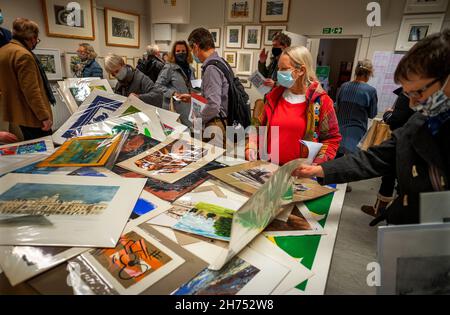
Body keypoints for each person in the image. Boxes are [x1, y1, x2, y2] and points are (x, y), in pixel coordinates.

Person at [293, 30, 450, 226]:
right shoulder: (420, 122)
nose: (412, 105)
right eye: (407, 94)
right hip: (411, 231)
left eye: (418, 92)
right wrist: (319, 170)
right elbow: (377, 158)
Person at [247, 45, 342, 166]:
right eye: (279, 68)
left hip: (300, 174)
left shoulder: (321, 102)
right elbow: (257, 127)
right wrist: (251, 146)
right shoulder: (273, 97)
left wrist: (317, 163)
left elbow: (332, 139)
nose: (279, 73)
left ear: (301, 70)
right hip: (268, 168)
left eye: (284, 69)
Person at [360, 88, 415, 220]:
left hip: (402, 143)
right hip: (408, 145)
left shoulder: (407, 93)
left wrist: (387, 114)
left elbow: (395, 119)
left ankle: (381, 210)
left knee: (390, 177)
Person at [0, 18, 54, 141]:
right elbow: (31, 90)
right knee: (44, 151)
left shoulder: (3, 51)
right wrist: (44, 117)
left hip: (13, 115)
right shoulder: (23, 55)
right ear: (33, 38)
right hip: (31, 116)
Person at [186, 28, 232, 135]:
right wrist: (192, 98)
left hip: (216, 124)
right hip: (224, 121)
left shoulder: (211, 68)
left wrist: (197, 121)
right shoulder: (221, 62)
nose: (193, 54)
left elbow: (213, 105)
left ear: (196, 47)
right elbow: (216, 94)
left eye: (192, 50)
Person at [335, 60, 378, 155]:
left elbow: (337, 107)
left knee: (335, 164)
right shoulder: (371, 91)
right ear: (369, 74)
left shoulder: (343, 86)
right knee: (349, 165)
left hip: (338, 132)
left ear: (356, 72)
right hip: (356, 135)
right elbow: (372, 114)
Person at [155, 41, 196, 127]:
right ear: (174, 53)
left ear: (187, 52)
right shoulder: (169, 67)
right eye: (178, 51)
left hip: (190, 109)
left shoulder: (191, 69)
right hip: (175, 110)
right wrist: (172, 93)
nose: (181, 53)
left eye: (183, 51)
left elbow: (193, 87)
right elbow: (158, 86)